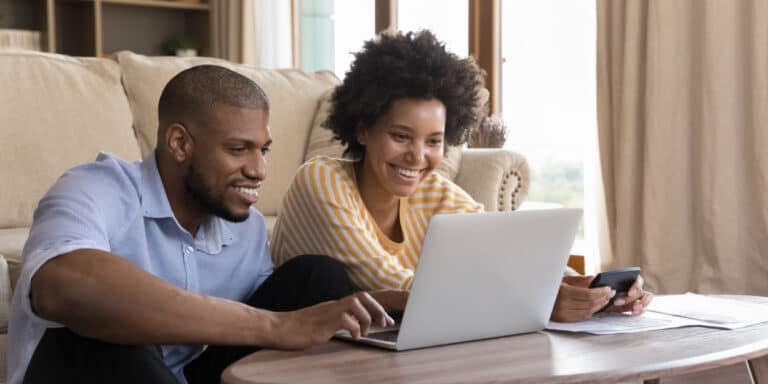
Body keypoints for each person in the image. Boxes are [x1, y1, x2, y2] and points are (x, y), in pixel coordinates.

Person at [8, 65, 397, 384]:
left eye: (263, 150)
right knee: (103, 331)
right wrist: (276, 326)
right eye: (238, 149)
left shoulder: (246, 225)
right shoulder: (93, 189)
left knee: (318, 278)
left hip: (182, 377)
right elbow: (61, 287)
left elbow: (277, 314)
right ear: (180, 143)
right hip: (87, 372)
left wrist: (400, 302)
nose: (259, 170)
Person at [271, 30, 653, 323]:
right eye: (400, 136)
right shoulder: (321, 181)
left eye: (433, 141)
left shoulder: (432, 189)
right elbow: (390, 283)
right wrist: (541, 301)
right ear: (363, 130)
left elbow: (508, 249)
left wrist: (593, 288)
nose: (417, 157)